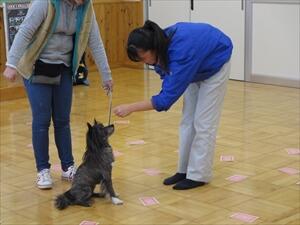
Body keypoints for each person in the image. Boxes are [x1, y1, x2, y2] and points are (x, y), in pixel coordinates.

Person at [2, 0, 113, 189]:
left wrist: (106, 75)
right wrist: (11, 64)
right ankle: (43, 170)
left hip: (63, 68)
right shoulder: (44, 3)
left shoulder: (86, 7)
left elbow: (94, 40)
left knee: (62, 120)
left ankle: (68, 166)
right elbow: (25, 31)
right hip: (36, 67)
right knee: (42, 119)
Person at [113, 20, 233, 190]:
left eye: (143, 57)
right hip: (195, 66)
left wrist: (130, 108)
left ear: (152, 48)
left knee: (203, 123)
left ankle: (199, 175)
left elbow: (165, 100)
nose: (143, 62)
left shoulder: (181, 52)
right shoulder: (160, 44)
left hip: (215, 62)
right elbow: (166, 73)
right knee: (187, 121)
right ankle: (184, 170)